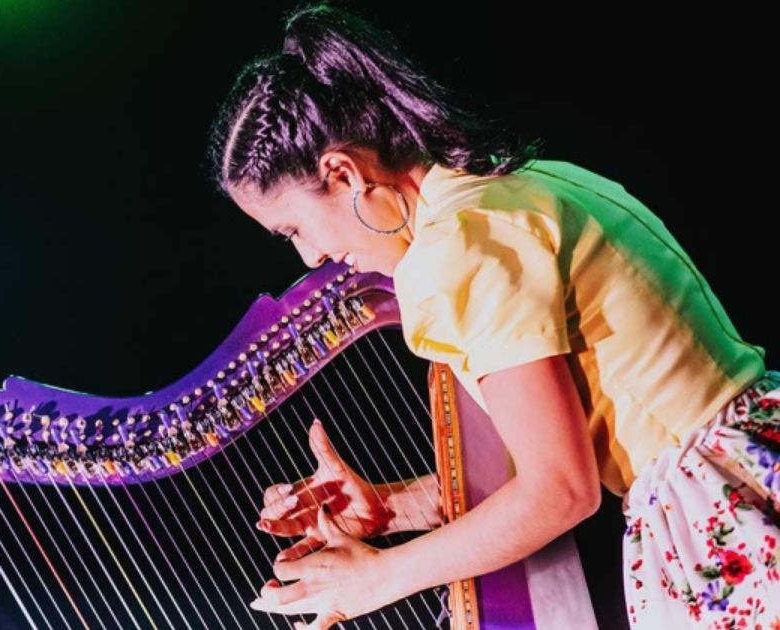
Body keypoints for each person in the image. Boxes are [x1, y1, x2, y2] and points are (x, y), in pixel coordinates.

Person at [207, 4, 780, 628]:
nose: (311, 256)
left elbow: (561, 490)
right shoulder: (513, 188)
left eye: (292, 228)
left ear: (343, 173)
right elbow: (556, 460)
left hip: (723, 511)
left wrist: (375, 579)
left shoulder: (459, 248)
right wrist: (389, 507)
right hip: (747, 463)